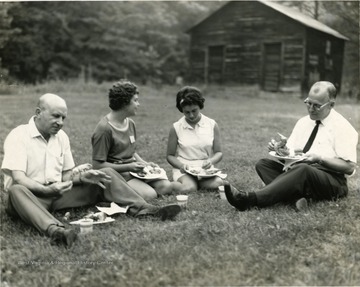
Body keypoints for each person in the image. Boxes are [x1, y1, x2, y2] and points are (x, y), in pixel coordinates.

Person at [1, 93, 181, 248]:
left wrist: (83, 177)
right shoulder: (19, 135)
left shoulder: (61, 137)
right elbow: (19, 178)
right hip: (30, 198)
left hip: (56, 194)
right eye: (56, 116)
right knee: (17, 189)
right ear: (38, 113)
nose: (60, 122)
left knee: (106, 174)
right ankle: (56, 231)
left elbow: (65, 177)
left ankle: (145, 210)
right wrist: (46, 190)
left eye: (63, 118)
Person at [224, 81, 358, 211]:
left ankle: (250, 199)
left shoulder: (343, 127)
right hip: (301, 173)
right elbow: (291, 155)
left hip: (332, 181)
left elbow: (349, 167)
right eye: (308, 103)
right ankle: (296, 199)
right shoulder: (303, 122)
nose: (311, 109)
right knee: (263, 165)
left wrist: (320, 159)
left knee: (303, 169)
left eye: (316, 106)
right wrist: (280, 149)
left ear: (331, 104)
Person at [91, 80, 187, 200]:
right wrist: (129, 167)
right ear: (124, 103)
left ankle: (132, 190)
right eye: (135, 100)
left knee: (165, 187)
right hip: (116, 175)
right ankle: (110, 194)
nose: (138, 104)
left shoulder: (130, 123)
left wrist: (145, 164)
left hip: (133, 172)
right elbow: (97, 165)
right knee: (150, 195)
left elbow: (131, 152)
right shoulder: (104, 129)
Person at [166, 86, 227, 193]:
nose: (191, 115)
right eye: (187, 112)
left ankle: (198, 183)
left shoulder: (211, 124)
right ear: (182, 110)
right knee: (189, 188)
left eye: (194, 110)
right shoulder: (176, 127)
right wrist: (182, 166)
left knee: (219, 183)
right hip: (184, 168)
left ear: (200, 106)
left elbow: (219, 153)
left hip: (205, 169)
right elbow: (170, 156)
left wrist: (210, 161)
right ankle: (164, 186)